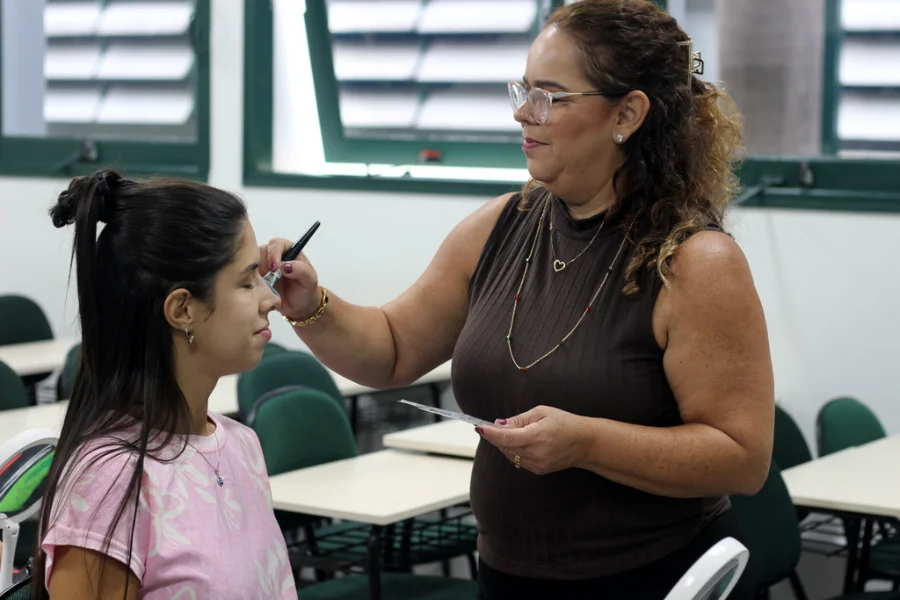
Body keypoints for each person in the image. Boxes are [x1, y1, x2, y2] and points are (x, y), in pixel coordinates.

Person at [262, 0, 773, 597]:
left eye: (549, 97)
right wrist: (313, 304)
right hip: (511, 579)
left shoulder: (695, 262)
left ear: (627, 113)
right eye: (523, 91)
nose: (522, 114)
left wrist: (587, 443)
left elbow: (741, 457)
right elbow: (393, 350)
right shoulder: (503, 225)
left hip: (655, 577)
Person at [32, 170, 297, 599]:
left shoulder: (241, 444)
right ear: (183, 309)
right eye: (247, 281)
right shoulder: (109, 479)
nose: (272, 299)